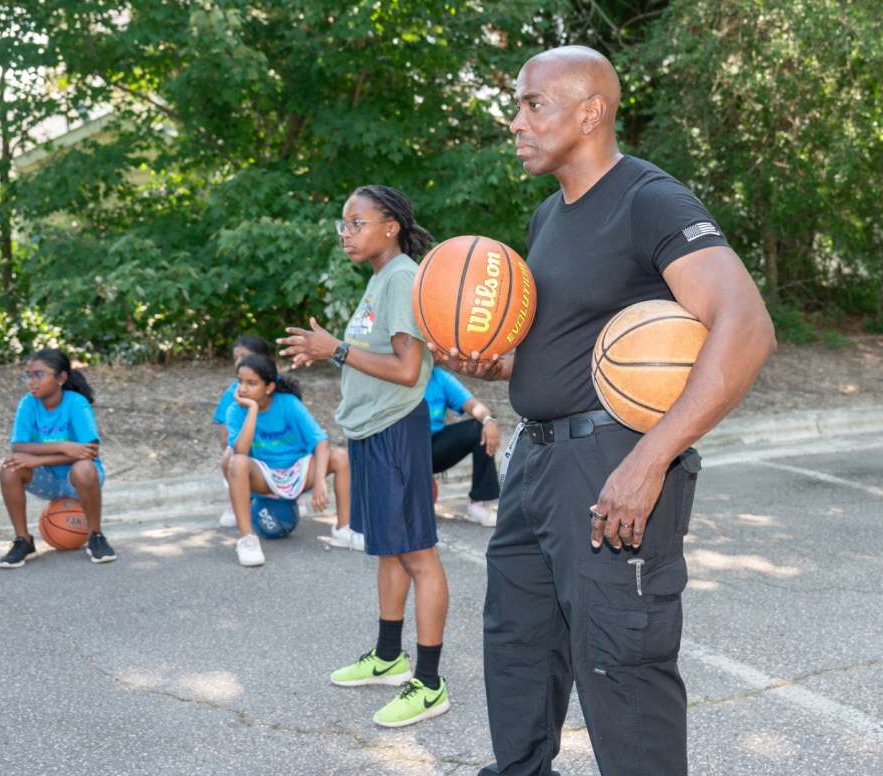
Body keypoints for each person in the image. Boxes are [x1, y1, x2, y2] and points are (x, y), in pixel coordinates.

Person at [436, 46, 775, 775]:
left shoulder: (648, 200)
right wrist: (490, 362)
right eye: (518, 105)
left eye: (534, 104)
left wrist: (650, 460)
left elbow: (745, 327)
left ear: (590, 112)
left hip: (611, 460)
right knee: (518, 644)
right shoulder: (546, 218)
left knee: (622, 664)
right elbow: (565, 346)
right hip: (535, 459)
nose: (517, 121)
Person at [279, 184, 451, 728]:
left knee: (418, 554)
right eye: (343, 225)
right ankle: (387, 655)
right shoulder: (382, 279)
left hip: (397, 430)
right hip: (374, 431)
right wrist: (331, 354)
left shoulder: (401, 277)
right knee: (390, 550)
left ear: (391, 226)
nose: (346, 234)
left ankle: (428, 683)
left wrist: (339, 350)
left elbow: (406, 370)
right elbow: (375, 358)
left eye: (357, 223)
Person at [223, 353, 355, 565]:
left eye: (251, 383)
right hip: (264, 476)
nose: (243, 388)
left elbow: (320, 440)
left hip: (297, 471)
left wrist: (320, 480)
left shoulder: (289, 404)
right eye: (240, 381)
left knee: (341, 457)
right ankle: (247, 540)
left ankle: (343, 529)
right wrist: (253, 410)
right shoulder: (235, 411)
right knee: (235, 460)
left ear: (269, 387)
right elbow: (241, 450)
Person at [0, 348, 116, 567]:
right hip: (49, 482)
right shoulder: (28, 403)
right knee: (9, 467)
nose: (32, 381)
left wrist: (39, 459)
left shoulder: (75, 403)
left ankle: (96, 536)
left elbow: (90, 451)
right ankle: (23, 540)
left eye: (39, 374)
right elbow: (18, 446)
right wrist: (64, 446)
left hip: (78, 481)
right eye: (28, 375)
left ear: (61, 378)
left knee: (84, 467)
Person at [424, 366, 501, 525]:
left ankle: (479, 504)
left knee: (480, 428)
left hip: (433, 448)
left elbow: (476, 407)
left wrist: (488, 420)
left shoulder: (440, 378)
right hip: (401, 451)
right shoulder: (395, 375)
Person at [214, 335, 272, 529]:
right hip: (247, 450)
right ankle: (238, 502)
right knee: (229, 456)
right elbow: (225, 434)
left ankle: (293, 497)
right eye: (235, 358)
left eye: (244, 356)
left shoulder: (279, 388)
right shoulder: (233, 393)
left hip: (278, 447)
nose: (239, 362)